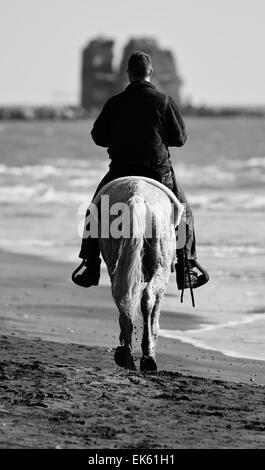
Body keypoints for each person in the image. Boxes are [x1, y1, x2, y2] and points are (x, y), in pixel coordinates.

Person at [72, 51, 209, 294]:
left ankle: (90, 263)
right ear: (150, 73)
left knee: (95, 208)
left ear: (128, 74)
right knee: (184, 211)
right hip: (158, 172)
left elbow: (98, 137)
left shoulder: (115, 102)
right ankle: (186, 264)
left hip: (121, 170)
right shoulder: (165, 101)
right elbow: (179, 139)